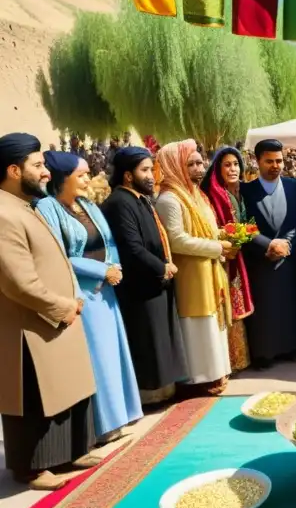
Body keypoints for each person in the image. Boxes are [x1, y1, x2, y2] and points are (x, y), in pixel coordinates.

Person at [0, 133, 96, 490]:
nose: (45, 173)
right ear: (13, 170)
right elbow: (17, 283)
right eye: (38, 165)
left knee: (65, 387)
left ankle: (70, 453)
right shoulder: (3, 213)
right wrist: (61, 305)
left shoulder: (23, 205)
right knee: (36, 396)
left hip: (56, 315)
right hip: (30, 323)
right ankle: (32, 467)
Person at [36, 152, 142, 444]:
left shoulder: (86, 204)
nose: (87, 179)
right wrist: (100, 271)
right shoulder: (47, 208)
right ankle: (103, 425)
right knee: (99, 358)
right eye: (80, 175)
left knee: (114, 353)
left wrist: (114, 267)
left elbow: (108, 241)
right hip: (83, 290)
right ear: (63, 178)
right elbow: (60, 255)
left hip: (106, 288)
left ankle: (121, 416)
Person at [101, 147, 187, 404]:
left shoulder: (139, 198)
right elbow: (132, 247)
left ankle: (164, 390)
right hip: (140, 286)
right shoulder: (119, 202)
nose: (152, 176)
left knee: (160, 339)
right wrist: (162, 267)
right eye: (145, 170)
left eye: (152, 169)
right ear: (128, 175)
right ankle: (150, 396)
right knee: (147, 340)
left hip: (155, 282)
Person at [155, 141, 233, 395]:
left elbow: (208, 229)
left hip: (209, 268)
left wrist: (228, 234)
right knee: (197, 324)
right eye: (191, 164)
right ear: (175, 166)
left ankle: (214, 373)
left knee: (211, 321)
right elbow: (176, 240)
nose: (199, 168)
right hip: (191, 273)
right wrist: (216, 247)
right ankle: (199, 378)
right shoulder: (169, 199)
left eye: (200, 162)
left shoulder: (196, 195)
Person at [239, 139, 296, 367]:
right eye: (269, 161)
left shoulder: (294, 186)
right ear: (257, 161)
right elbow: (243, 225)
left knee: (289, 304)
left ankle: (291, 348)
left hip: (288, 257)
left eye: (279, 160)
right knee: (265, 308)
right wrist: (267, 246)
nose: (275, 165)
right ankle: (264, 354)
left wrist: (286, 244)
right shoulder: (245, 190)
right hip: (261, 258)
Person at [199, 147, 254, 372]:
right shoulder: (214, 193)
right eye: (227, 165)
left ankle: (241, 358)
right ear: (218, 168)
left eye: (236, 164)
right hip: (222, 257)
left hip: (239, 257)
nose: (232, 169)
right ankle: (230, 361)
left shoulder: (242, 190)